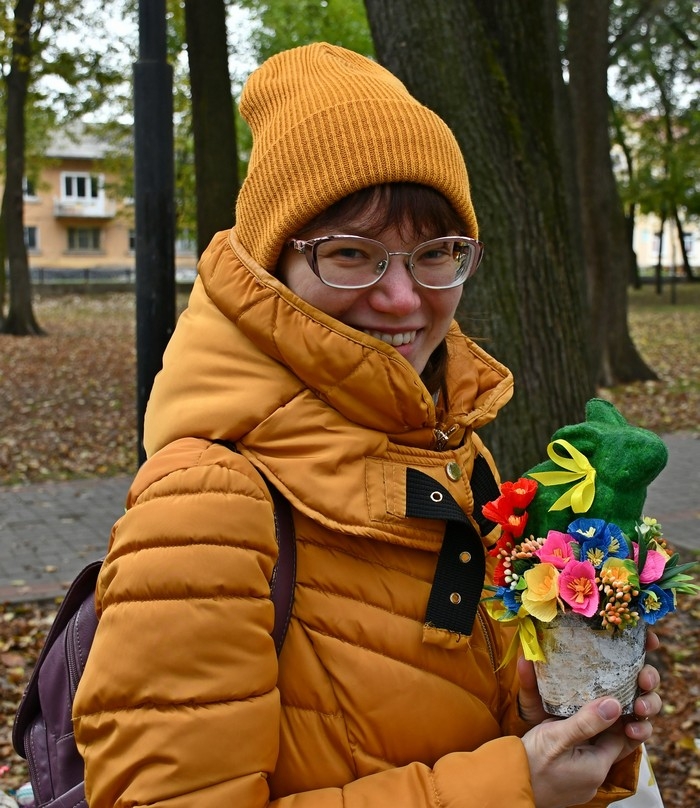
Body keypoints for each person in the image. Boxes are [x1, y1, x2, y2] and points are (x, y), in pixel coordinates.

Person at [73, 43, 661, 808]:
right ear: (273, 266)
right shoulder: (206, 505)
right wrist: (514, 786)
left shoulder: (452, 447)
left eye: (436, 253)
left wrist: (545, 721)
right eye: (352, 253)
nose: (403, 297)